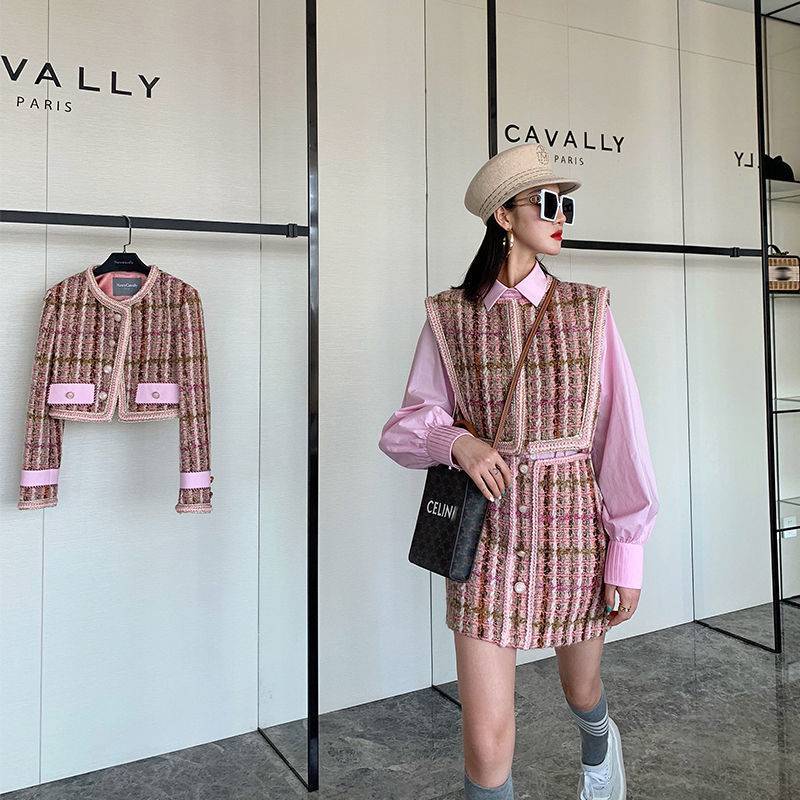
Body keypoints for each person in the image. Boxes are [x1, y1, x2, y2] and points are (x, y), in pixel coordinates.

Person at [378, 142, 659, 800]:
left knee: (580, 687)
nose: (561, 216)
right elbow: (402, 429)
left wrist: (628, 552)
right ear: (504, 215)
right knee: (485, 739)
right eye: (548, 203)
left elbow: (620, 436)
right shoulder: (450, 316)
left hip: (574, 531)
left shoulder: (588, 309)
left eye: (566, 205)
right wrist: (459, 443)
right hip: (486, 539)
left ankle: (598, 740)